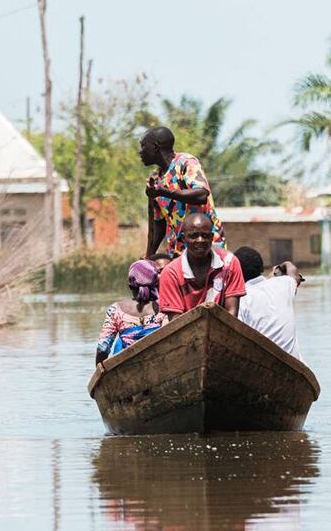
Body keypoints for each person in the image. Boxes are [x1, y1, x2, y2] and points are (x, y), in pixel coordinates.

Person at [139, 126, 227, 257]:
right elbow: (160, 224)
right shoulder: (155, 179)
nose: (140, 152)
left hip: (206, 248)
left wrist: (163, 192)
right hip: (178, 252)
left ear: (156, 147)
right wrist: (149, 255)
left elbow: (201, 194)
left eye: (143, 146)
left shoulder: (186, 163)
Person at [158, 213, 245, 321]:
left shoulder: (229, 262)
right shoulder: (171, 273)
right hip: (185, 330)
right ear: (184, 238)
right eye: (194, 235)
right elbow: (176, 322)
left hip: (223, 328)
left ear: (212, 237)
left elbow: (231, 314)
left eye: (205, 235)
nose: (200, 240)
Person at [234, 246, 305, 362]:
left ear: (236, 273)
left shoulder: (240, 299)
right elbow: (294, 274)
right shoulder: (283, 284)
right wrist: (283, 265)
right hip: (296, 364)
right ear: (262, 268)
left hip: (262, 364)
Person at [95, 259, 168, 364]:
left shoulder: (116, 309)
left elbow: (102, 348)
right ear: (155, 283)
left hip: (125, 365)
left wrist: (100, 371)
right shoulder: (164, 306)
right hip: (160, 361)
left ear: (130, 286)